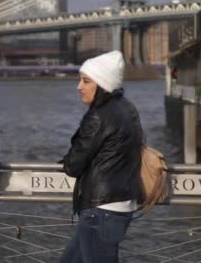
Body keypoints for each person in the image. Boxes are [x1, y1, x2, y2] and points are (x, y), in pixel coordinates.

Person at [59, 50, 143, 263]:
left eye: (86, 81)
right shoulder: (127, 107)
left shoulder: (98, 116)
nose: (79, 87)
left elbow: (73, 165)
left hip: (101, 210)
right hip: (119, 204)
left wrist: (69, 158)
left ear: (102, 84)